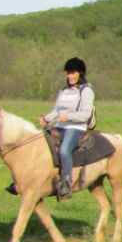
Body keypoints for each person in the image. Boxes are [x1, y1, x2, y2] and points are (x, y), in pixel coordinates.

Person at [39, 57, 95, 199]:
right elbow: (56, 111)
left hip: (76, 128)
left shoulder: (86, 91)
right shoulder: (64, 91)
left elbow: (85, 115)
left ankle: (66, 184)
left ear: (80, 73)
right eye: (68, 73)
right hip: (59, 126)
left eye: (72, 72)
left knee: (64, 151)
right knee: (38, 143)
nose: (69, 76)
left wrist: (68, 117)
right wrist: (46, 118)